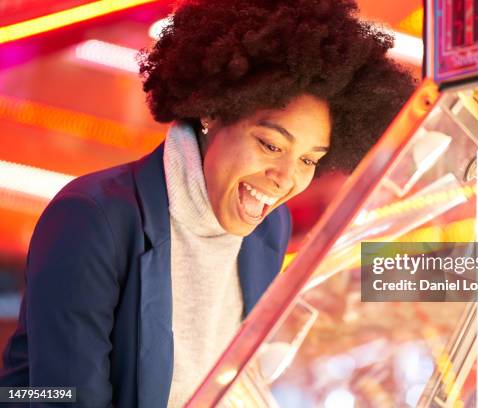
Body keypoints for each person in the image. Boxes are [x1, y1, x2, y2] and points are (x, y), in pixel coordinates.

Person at [0, 0, 416, 406]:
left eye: (309, 159)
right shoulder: (93, 217)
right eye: (271, 144)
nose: (288, 178)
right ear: (213, 112)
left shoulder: (270, 230)